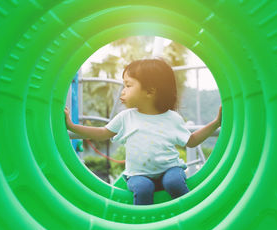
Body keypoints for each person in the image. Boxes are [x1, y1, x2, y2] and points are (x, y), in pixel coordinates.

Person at [64, 58, 222, 205]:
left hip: (169, 169)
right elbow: (102, 133)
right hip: (138, 174)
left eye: (128, 85)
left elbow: (192, 140)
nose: (123, 91)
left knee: (174, 182)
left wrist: (216, 123)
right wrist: (72, 126)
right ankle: (143, 226)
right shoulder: (126, 117)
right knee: (142, 189)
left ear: (150, 91)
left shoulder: (172, 118)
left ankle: (188, 214)